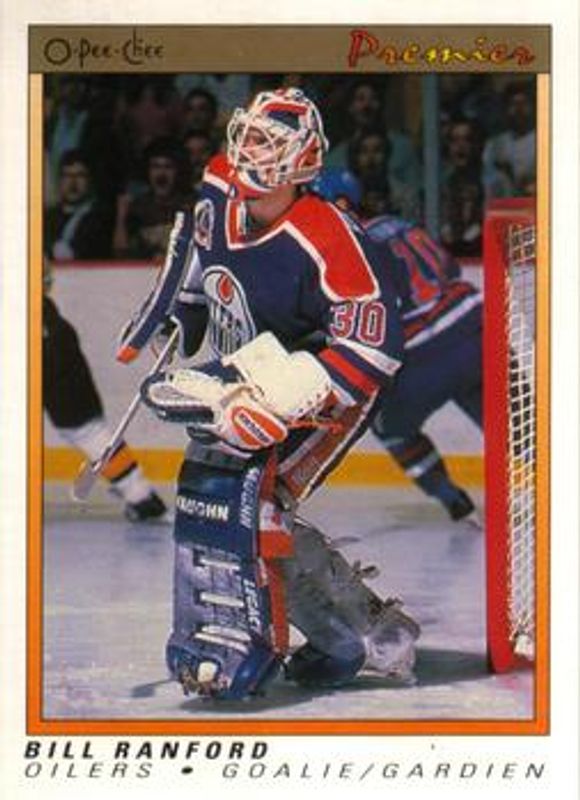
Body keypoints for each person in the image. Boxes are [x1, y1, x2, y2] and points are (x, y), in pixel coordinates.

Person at [127, 87, 420, 700]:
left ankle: (370, 633)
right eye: (248, 135)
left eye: (267, 141)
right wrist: (183, 307)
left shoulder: (329, 235)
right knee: (216, 494)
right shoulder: (218, 182)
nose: (248, 150)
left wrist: (281, 399)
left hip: (328, 380)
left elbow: (372, 348)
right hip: (251, 369)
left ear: (301, 159)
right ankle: (327, 634)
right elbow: (200, 250)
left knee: (258, 505)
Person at [310, 167, 482, 524]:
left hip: (424, 354)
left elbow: (379, 317)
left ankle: (452, 499)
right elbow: (450, 270)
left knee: (388, 425)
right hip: (478, 328)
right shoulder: (398, 224)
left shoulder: (349, 247)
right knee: (515, 427)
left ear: (341, 205)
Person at [43, 267, 168, 522]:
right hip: (63, 366)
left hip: (59, 370)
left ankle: (140, 495)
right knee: (89, 432)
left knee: (87, 431)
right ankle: (140, 495)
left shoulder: (40, 318)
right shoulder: (48, 316)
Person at [45, 149, 114, 261]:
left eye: (80, 175)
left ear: (89, 180)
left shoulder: (100, 219)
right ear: (60, 180)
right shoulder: (48, 217)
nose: (73, 182)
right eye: (67, 175)